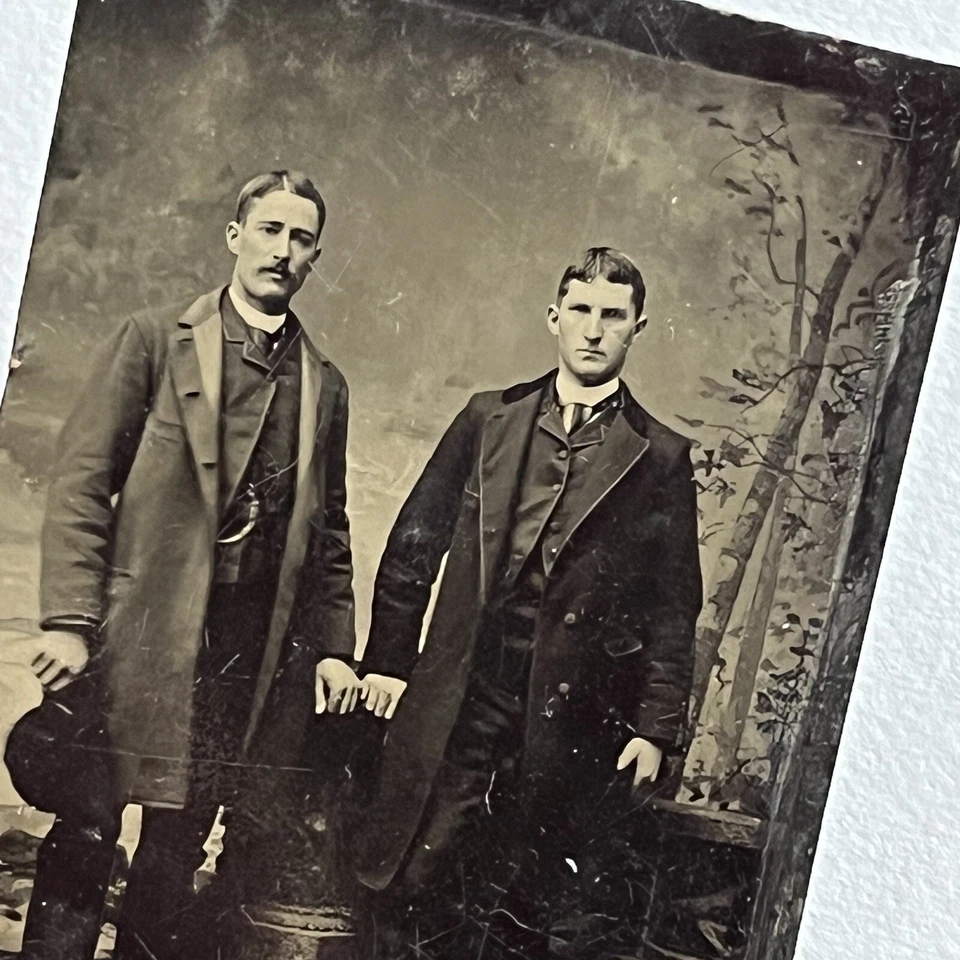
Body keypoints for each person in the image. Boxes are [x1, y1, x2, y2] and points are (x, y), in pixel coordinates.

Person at [5, 170, 363, 960]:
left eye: (302, 239)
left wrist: (336, 647)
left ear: (316, 258)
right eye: (269, 230)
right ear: (235, 236)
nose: (283, 250)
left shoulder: (325, 386)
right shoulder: (152, 340)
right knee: (89, 821)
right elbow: (81, 483)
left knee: (180, 837)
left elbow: (330, 532)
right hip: (136, 631)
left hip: (241, 652)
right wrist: (69, 622)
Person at [352, 247, 704, 958]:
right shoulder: (489, 418)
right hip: (463, 692)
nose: (594, 330)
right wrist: (388, 662)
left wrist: (655, 729)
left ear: (638, 328)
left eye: (614, 316)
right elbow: (414, 546)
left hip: (569, 717)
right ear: (553, 317)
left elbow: (674, 609)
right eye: (581, 310)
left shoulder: (658, 456)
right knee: (415, 873)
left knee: (518, 902)